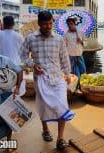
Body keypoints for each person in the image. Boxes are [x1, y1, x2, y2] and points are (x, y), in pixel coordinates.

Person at [21, 11, 74, 150]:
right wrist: (32, 65)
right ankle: (45, 129)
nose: (48, 26)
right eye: (45, 24)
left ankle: (60, 138)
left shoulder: (58, 39)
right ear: (39, 23)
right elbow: (23, 55)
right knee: (43, 106)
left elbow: (64, 58)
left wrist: (68, 75)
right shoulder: (30, 38)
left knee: (62, 106)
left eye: (50, 23)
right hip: (41, 79)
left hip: (57, 78)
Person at [0, 16, 25, 96]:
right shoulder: (19, 36)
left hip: (1, 65)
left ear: (3, 24)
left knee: (3, 88)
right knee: (16, 90)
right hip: (16, 65)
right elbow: (22, 51)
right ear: (13, 24)